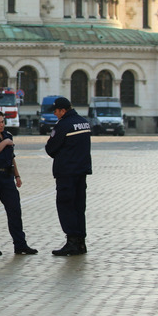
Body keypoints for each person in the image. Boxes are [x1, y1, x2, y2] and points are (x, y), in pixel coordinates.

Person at [0, 111, 37, 256]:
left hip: (7, 176)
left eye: (3, 122)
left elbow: (11, 158)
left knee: (15, 210)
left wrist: (17, 175)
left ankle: (20, 245)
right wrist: (5, 142)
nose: (1, 125)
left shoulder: (7, 135)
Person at [45, 97, 93, 256]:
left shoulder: (63, 125)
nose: (55, 113)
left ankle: (72, 241)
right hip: (81, 172)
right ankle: (81, 242)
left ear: (63, 110)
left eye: (56, 111)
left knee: (66, 207)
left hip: (66, 173)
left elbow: (50, 148)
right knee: (79, 207)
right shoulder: (84, 122)